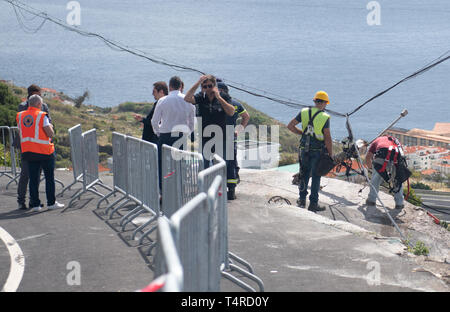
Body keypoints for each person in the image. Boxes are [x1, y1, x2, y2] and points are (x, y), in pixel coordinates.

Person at [184, 75, 235, 198]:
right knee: (204, 165)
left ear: (215, 86)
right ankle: (205, 190)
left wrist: (218, 97)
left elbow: (231, 111)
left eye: (210, 86)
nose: (207, 88)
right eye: (205, 86)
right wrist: (198, 83)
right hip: (205, 138)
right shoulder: (201, 97)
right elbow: (187, 98)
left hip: (220, 137)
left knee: (220, 165)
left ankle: (220, 189)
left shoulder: (224, 96)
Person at [16, 94, 64, 212]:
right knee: (49, 178)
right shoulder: (42, 116)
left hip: (28, 151)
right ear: (39, 104)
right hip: (44, 151)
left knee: (33, 178)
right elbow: (50, 133)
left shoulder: (20, 116)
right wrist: (51, 127)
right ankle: (51, 202)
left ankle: (35, 204)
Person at [287, 91, 333, 212]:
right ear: (324, 103)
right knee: (316, 177)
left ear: (314, 101)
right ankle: (313, 204)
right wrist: (330, 153)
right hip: (317, 151)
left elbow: (290, 126)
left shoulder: (304, 112)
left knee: (303, 175)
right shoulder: (324, 117)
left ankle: (301, 200)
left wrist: (301, 133)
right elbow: (327, 137)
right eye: (325, 103)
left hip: (304, 150)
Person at [151, 76, 195, 188]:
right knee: (180, 163)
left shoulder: (162, 100)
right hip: (181, 135)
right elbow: (191, 121)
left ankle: (162, 189)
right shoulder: (188, 100)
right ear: (180, 86)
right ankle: (180, 187)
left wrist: (158, 132)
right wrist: (188, 132)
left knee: (162, 164)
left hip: (165, 135)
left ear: (170, 86)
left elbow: (154, 121)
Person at [14, 84, 51, 210]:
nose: (38, 97)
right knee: (25, 174)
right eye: (36, 94)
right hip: (26, 146)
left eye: (39, 94)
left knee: (36, 175)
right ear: (30, 94)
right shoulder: (22, 107)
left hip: (39, 146)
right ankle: (21, 200)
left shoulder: (44, 106)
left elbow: (48, 124)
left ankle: (33, 201)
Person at [217, 80, 250, 200]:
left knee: (216, 163)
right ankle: (231, 190)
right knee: (230, 163)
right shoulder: (236, 104)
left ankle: (218, 188)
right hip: (230, 138)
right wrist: (239, 130)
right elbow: (246, 116)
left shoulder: (216, 104)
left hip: (216, 139)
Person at [364, 135, 406, 209]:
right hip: (396, 156)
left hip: (381, 155)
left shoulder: (376, 140)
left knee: (376, 178)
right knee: (397, 180)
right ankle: (399, 203)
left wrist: (371, 168)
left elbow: (368, 157)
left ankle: (371, 200)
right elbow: (402, 155)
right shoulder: (396, 141)